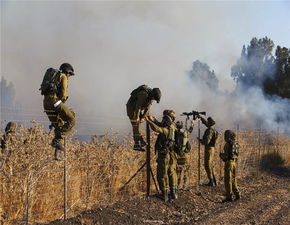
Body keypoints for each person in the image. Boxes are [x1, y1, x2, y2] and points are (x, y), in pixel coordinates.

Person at [40, 63, 76, 160]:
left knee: (59, 125)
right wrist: (62, 104)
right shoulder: (63, 76)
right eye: (70, 74)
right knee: (72, 119)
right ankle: (56, 141)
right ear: (67, 72)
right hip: (55, 102)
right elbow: (64, 95)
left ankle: (57, 155)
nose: (69, 76)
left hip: (46, 103)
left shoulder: (54, 77)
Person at [146, 111, 177, 202]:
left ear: (167, 121)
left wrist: (148, 121)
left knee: (162, 174)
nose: (162, 119)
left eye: (164, 118)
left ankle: (164, 195)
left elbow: (157, 129)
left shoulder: (165, 130)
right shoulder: (173, 127)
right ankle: (174, 193)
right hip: (171, 154)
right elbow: (161, 125)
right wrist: (154, 120)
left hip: (164, 155)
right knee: (171, 172)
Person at [126, 85, 161, 151]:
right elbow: (138, 107)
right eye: (154, 98)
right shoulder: (143, 94)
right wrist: (136, 117)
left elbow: (147, 109)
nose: (153, 99)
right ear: (152, 95)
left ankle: (141, 141)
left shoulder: (150, 97)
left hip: (138, 109)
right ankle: (137, 144)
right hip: (131, 108)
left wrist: (143, 117)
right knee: (135, 124)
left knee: (137, 124)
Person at [197, 115, 218, 186]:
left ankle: (211, 181)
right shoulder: (212, 129)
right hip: (212, 148)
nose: (206, 123)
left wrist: (201, 141)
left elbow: (206, 142)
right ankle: (214, 180)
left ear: (209, 123)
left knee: (207, 165)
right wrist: (200, 117)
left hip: (209, 149)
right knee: (210, 165)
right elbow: (206, 123)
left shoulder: (209, 131)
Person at [220, 130, 241, 202]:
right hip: (234, 163)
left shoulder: (228, 144)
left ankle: (229, 197)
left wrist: (221, 156)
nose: (225, 137)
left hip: (229, 163)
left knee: (227, 180)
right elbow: (236, 155)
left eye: (226, 136)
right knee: (233, 179)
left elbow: (226, 156)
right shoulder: (236, 144)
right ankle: (237, 194)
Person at [175, 120, 194, 189]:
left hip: (177, 154)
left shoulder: (175, 133)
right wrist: (192, 123)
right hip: (185, 154)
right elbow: (190, 130)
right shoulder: (186, 133)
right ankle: (185, 185)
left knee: (178, 171)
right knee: (186, 169)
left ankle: (177, 185)